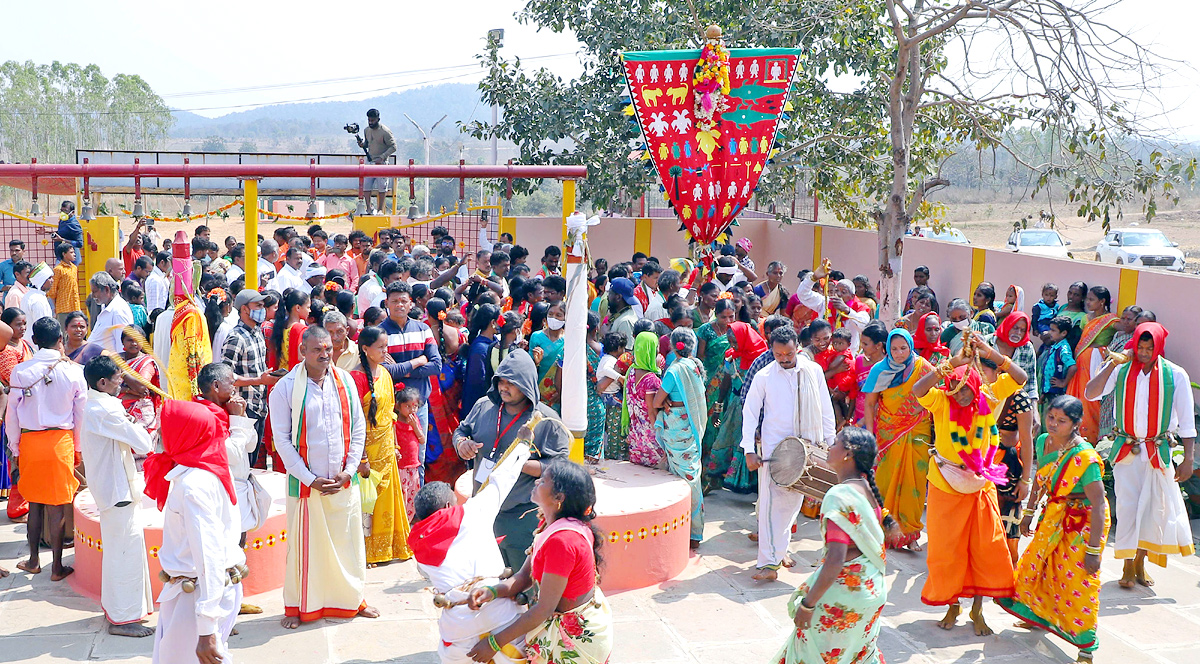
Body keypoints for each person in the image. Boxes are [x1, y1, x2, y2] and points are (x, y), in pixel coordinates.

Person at [912, 333, 1027, 635]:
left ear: (976, 389)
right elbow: (917, 389)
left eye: (966, 391)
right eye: (954, 390)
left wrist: (993, 354)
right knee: (946, 551)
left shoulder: (987, 397)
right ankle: (953, 606)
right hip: (945, 484)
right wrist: (950, 365)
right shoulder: (941, 401)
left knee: (985, 550)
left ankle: (977, 610)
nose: (960, 395)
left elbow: (1021, 376)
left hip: (981, 485)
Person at [269, 325, 378, 628]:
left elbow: (357, 429)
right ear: (302, 351)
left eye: (328, 348)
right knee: (306, 552)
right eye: (317, 349)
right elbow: (282, 441)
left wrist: (348, 471)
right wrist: (308, 478)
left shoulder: (345, 380)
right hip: (307, 487)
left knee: (349, 546)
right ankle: (299, 608)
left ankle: (352, 601)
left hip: (343, 482)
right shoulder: (286, 388)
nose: (325, 354)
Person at [466, 459, 612, 664]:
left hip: (574, 641)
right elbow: (525, 576)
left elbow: (544, 609)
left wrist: (494, 644)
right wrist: (493, 591)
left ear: (558, 498)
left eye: (543, 481)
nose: (536, 482)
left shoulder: (562, 541)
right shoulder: (551, 524)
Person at [998, 395, 1109, 663]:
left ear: (1076, 424)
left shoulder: (1086, 458)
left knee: (1077, 581)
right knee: (1040, 566)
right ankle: (1038, 615)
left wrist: (1093, 550)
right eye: (1050, 418)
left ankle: (1085, 648)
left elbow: (1099, 505)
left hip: (1083, 522)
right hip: (1054, 514)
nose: (1054, 424)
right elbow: (1040, 479)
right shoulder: (1041, 441)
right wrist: (1029, 511)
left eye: (1062, 421)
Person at [1084, 322, 1195, 587]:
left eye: (1149, 348)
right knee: (1128, 507)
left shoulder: (1175, 374)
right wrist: (1113, 362)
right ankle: (1126, 567)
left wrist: (1188, 458)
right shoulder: (1120, 370)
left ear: (1158, 347)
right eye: (1140, 347)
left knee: (1153, 510)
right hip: (1127, 451)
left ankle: (1140, 565)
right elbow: (1091, 392)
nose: (1144, 353)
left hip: (1158, 451)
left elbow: (1188, 420)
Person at [772, 427, 891, 664]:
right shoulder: (866, 489)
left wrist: (808, 605)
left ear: (848, 454)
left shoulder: (839, 496)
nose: (829, 447)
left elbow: (837, 559)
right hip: (872, 593)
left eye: (835, 443)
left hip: (845, 598)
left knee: (809, 656)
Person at [410, 440, 535, 664]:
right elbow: (502, 480)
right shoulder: (473, 511)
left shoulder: (418, 549)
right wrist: (523, 444)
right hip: (501, 620)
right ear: (449, 507)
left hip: (458, 634)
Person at [144, 397, 245, 664]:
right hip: (194, 592)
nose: (159, 433)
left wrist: (206, 630)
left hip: (196, 597)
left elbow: (208, 556)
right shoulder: (205, 471)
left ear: (184, 434)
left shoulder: (193, 486)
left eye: (165, 427)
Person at [453, 349, 572, 570]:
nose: (504, 387)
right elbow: (460, 431)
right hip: (483, 510)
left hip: (521, 515)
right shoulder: (483, 406)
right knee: (488, 579)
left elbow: (561, 467)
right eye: (501, 381)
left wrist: (517, 465)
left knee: (522, 585)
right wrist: (462, 445)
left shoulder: (546, 420)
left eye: (512, 383)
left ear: (526, 384)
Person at [741, 326, 836, 581]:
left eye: (789, 353)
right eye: (779, 354)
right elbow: (750, 413)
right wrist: (749, 450)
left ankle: (778, 551)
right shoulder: (764, 376)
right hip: (774, 450)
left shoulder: (813, 371)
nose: (784, 358)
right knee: (772, 506)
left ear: (798, 347)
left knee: (793, 505)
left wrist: (832, 444)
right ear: (771, 350)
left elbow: (826, 409)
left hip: (809, 447)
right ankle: (768, 564)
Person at [80, 355, 155, 637]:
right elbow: (143, 442)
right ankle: (123, 619)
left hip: (115, 488)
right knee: (125, 554)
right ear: (102, 383)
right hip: (116, 490)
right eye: (117, 378)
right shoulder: (105, 410)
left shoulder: (100, 404)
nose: (122, 381)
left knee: (123, 552)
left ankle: (123, 612)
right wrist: (138, 420)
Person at [7, 318, 86, 580]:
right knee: (58, 505)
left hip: (30, 442)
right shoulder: (74, 371)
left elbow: (12, 416)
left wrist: (15, 447)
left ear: (35, 340)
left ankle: (32, 561)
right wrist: (78, 447)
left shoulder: (21, 371)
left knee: (35, 504)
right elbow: (80, 415)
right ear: (61, 339)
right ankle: (56, 567)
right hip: (60, 442)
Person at [860, 328, 934, 550]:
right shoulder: (879, 371)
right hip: (887, 432)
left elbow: (937, 397)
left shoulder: (924, 369)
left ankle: (910, 534)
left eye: (903, 348)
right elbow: (870, 404)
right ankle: (882, 529)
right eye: (894, 349)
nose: (899, 353)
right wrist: (871, 435)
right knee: (885, 479)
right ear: (887, 348)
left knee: (916, 481)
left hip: (918, 430)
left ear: (911, 346)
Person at [352, 326, 415, 566]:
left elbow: (389, 415)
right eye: (380, 347)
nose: (385, 351)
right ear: (366, 349)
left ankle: (390, 547)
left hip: (387, 446)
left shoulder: (386, 375)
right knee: (368, 500)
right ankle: (367, 553)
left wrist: (396, 445)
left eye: (386, 346)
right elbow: (354, 422)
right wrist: (362, 458)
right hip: (367, 450)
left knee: (388, 499)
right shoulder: (356, 377)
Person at [651, 327, 707, 548]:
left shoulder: (674, 371)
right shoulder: (695, 366)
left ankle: (686, 530)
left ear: (673, 347)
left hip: (676, 427)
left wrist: (664, 402)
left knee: (683, 478)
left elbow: (656, 402)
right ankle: (694, 531)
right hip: (690, 426)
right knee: (693, 475)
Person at [380, 281, 443, 477]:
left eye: (403, 301)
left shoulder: (423, 329)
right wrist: (417, 362)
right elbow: (385, 372)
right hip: (391, 408)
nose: (399, 305)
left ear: (411, 304)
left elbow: (436, 365)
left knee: (418, 460)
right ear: (386, 303)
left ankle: (417, 506)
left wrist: (401, 369)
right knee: (392, 460)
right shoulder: (380, 333)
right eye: (394, 301)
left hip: (418, 407)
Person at [220, 289, 280, 462]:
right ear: (245, 309)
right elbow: (226, 377)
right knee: (243, 461)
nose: (263, 309)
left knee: (253, 460)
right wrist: (259, 380)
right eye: (258, 306)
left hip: (259, 405)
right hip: (244, 409)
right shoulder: (236, 337)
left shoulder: (258, 333)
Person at [1066, 285, 1117, 442]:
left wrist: (1102, 349)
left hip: (1096, 363)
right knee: (1079, 396)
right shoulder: (1085, 319)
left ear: (1102, 302)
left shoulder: (1111, 320)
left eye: (1091, 299)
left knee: (1092, 398)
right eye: (1087, 299)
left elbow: (1126, 328)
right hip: (1081, 361)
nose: (1087, 302)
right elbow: (1082, 339)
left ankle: (1092, 437)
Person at [166, 231, 212, 400]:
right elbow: (193, 354)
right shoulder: (190, 313)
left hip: (176, 379)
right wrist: (197, 390)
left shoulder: (180, 311)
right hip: (189, 387)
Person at [1098, 305, 1142, 438]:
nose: (1125, 322)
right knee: (1105, 412)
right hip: (1108, 376)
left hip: (1122, 380)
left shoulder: (1137, 340)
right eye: (1123, 318)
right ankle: (1103, 442)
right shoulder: (1118, 334)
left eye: (1130, 319)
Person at [623, 331, 664, 468]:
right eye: (656, 347)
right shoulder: (651, 380)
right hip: (649, 438)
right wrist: (661, 437)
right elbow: (652, 412)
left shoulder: (631, 372)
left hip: (635, 435)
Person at [118, 326, 165, 437]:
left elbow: (141, 388)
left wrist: (122, 371)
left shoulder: (147, 362)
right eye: (130, 340)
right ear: (123, 341)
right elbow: (105, 383)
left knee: (144, 449)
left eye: (138, 340)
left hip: (141, 413)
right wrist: (127, 389)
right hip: (119, 411)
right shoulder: (116, 358)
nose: (134, 343)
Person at [529, 301, 565, 413]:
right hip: (538, 390)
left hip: (559, 393)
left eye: (558, 315)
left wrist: (561, 394)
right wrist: (536, 362)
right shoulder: (536, 337)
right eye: (550, 314)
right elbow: (529, 367)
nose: (553, 318)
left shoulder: (568, 339)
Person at [358, 108, 396, 213]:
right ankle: (369, 208)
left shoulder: (385, 131)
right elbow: (367, 143)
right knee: (366, 186)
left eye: (373, 120)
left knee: (382, 188)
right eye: (369, 120)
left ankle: (380, 209)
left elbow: (393, 147)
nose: (370, 122)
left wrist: (382, 157)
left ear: (378, 119)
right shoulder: (366, 130)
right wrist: (362, 145)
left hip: (382, 163)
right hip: (370, 161)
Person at [87, 271, 135, 350]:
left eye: (95, 291)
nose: (93, 295)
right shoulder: (106, 307)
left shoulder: (118, 311)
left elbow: (122, 345)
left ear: (106, 289)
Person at [46, 242, 81, 327]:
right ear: (64, 254)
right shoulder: (58, 269)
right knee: (64, 332)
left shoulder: (74, 268)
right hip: (63, 308)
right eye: (71, 252)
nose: (74, 254)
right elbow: (52, 291)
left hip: (75, 307)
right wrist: (55, 308)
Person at [607, 277, 639, 350]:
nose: (608, 297)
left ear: (618, 297)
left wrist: (606, 335)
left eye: (610, 293)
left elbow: (626, 353)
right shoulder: (620, 314)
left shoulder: (625, 321)